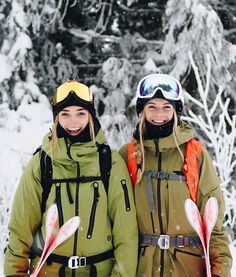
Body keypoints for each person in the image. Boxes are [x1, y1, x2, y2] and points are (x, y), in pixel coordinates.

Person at [4, 80, 138, 276]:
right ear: (56, 118)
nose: (73, 122)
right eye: (65, 114)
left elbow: (126, 234)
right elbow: (20, 229)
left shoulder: (109, 163)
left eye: (81, 114)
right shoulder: (42, 163)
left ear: (91, 117)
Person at [119, 73, 232, 277]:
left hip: (188, 267)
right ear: (141, 111)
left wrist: (220, 270)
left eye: (166, 107)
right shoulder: (128, 155)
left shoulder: (194, 153)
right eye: (151, 107)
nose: (158, 114)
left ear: (176, 111)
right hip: (142, 268)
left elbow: (213, 222)